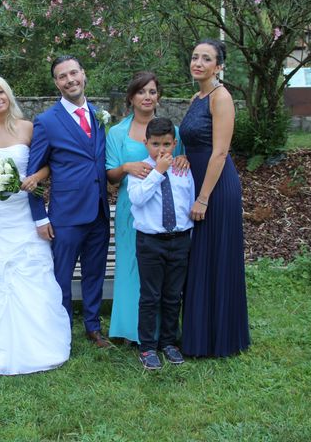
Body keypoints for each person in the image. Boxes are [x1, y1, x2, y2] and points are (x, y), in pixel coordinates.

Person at [0, 75, 71, 375]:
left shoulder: (28, 127)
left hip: (22, 213)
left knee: (29, 273)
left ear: (9, 94)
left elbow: (49, 162)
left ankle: (37, 342)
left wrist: (36, 177)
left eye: (1, 92)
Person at [27, 55, 111, 348]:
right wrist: (40, 217)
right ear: (56, 83)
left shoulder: (100, 115)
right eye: (62, 76)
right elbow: (33, 173)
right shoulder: (47, 122)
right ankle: (59, 330)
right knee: (61, 277)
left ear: (83, 74)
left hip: (99, 211)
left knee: (94, 273)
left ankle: (93, 327)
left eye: (73, 73)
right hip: (66, 215)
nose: (70, 79)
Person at [179, 39, 250, 357]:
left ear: (219, 66)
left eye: (206, 58)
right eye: (195, 57)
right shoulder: (197, 96)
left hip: (216, 189)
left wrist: (203, 197)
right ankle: (199, 334)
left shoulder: (221, 98)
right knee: (199, 261)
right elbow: (191, 143)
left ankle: (220, 338)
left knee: (215, 259)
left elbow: (220, 152)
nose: (198, 62)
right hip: (195, 183)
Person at [106, 72, 187, 345]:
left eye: (152, 92)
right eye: (141, 92)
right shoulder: (117, 132)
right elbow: (110, 175)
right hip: (132, 207)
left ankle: (161, 333)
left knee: (160, 274)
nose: (147, 97)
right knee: (131, 267)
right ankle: (131, 330)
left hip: (165, 211)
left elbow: (179, 163)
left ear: (159, 97)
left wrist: (184, 159)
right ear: (131, 97)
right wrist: (127, 167)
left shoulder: (170, 130)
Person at [127, 118, 194, 369]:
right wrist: (158, 172)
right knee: (150, 296)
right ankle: (147, 347)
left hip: (179, 240)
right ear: (146, 143)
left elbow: (189, 201)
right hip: (150, 242)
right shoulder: (141, 170)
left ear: (175, 144)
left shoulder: (182, 169)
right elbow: (137, 199)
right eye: (155, 144)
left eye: (167, 144)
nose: (161, 150)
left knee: (172, 295)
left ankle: (169, 342)